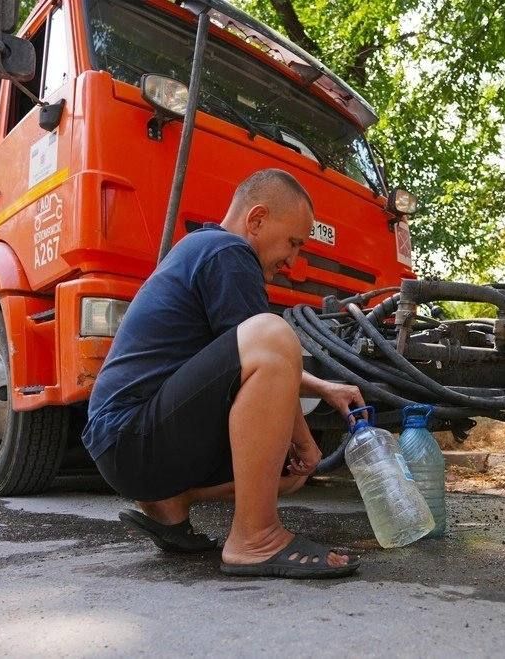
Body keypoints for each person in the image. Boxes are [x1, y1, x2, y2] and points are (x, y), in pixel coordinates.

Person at [82, 169, 365, 577]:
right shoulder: (227, 252)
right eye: (294, 242)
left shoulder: (203, 248)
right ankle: (256, 538)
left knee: (283, 469)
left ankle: (171, 507)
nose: (293, 261)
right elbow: (265, 348)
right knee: (273, 331)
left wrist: (322, 387)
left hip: (127, 446)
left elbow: (245, 359)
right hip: (132, 437)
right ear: (257, 219)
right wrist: (305, 443)